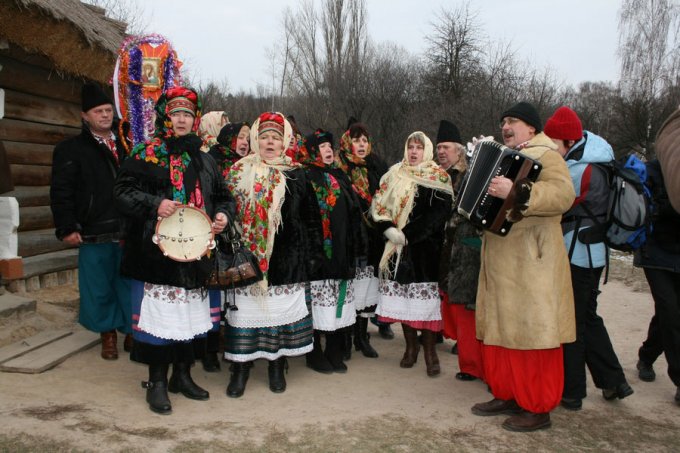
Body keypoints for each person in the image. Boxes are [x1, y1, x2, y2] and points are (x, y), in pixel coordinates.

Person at [114, 87, 234, 414]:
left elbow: (224, 197)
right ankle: (156, 382)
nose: (181, 120)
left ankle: (182, 375)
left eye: (187, 115)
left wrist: (223, 216)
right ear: (165, 116)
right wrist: (156, 203)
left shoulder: (206, 159)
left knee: (188, 320)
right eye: (176, 113)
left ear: (194, 120)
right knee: (162, 320)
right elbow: (122, 193)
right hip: (156, 257)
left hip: (196, 257)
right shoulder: (145, 153)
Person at [470, 102, 575, 431]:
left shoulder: (548, 155)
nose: (506, 126)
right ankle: (508, 393)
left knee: (533, 334)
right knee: (503, 329)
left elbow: (563, 195)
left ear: (531, 127)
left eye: (512, 121)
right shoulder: (504, 156)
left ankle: (537, 406)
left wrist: (517, 191)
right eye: (503, 121)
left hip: (532, 263)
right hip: (500, 260)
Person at [222, 112, 322, 397]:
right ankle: (239, 370)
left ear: (284, 142)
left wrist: (312, 257)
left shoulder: (296, 172)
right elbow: (227, 211)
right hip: (246, 257)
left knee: (277, 317)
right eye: (264, 137)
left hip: (286, 258)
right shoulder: (238, 172)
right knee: (245, 317)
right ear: (255, 140)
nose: (269, 142)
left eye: (275, 138)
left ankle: (276, 367)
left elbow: (311, 216)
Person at [544, 106, 634, 410]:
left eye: (554, 142)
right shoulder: (595, 159)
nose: (551, 148)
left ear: (569, 142)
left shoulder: (581, 169)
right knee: (587, 317)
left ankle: (572, 392)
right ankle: (613, 381)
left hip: (579, 255)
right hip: (590, 253)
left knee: (573, 324)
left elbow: (558, 203)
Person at [50, 82, 132, 361]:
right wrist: (67, 226)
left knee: (129, 282)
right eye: (98, 111)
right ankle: (107, 334)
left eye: (108, 110)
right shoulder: (70, 149)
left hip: (127, 227)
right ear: (85, 115)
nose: (105, 115)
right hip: (93, 227)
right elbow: (61, 191)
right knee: (98, 286)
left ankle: (131, 331)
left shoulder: (127, 144)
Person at [371, 131, 453, 377]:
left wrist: (407, 234)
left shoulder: (438, 177)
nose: (414, 152)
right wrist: (387, 228)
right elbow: (378, 204)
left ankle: (430, 352)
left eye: (418, 147)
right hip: (395, 249)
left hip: (424, 250)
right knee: (403, 304)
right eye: (410, 147)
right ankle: (409, 349)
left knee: (425, 307)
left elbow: (437, 215)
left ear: (426, 151)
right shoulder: (394, 174)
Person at [303, 129, 364, 373]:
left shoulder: (341, 175)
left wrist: (357, 245)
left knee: (340, 303)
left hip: (342, 251)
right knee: (317, 306)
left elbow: (354, 212)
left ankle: (335, 350)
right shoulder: (306, 176)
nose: (327, 150)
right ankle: (314, 352)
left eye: (329, 145)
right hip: (317, 254)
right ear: (311, 150)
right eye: (321, 146)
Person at [436, 120, 484, 382]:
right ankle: (468, 362)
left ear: (458, 150)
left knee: (468, 309)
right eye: (439, 147)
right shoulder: (433, 174)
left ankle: (473, 364)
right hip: (444, 250)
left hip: (466, 251)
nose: (442, 152)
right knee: (451, 303)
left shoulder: (469, 175)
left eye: (447, 147)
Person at [336, 120, 389, 358]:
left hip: (373, 237)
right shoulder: (340, 167)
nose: (361, 145)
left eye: (364, 140)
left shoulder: (376, 165)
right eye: (356, 140)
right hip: (351, 237)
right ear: (348, 142)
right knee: (349, 290)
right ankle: (345, 339)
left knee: (367, 289)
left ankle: (361, 337)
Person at [634, 158, 680, 405]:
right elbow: (649, 208)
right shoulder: (655, 169)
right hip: (656, 252)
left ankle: (647, 355)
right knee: (670, 311)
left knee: (669, 313)